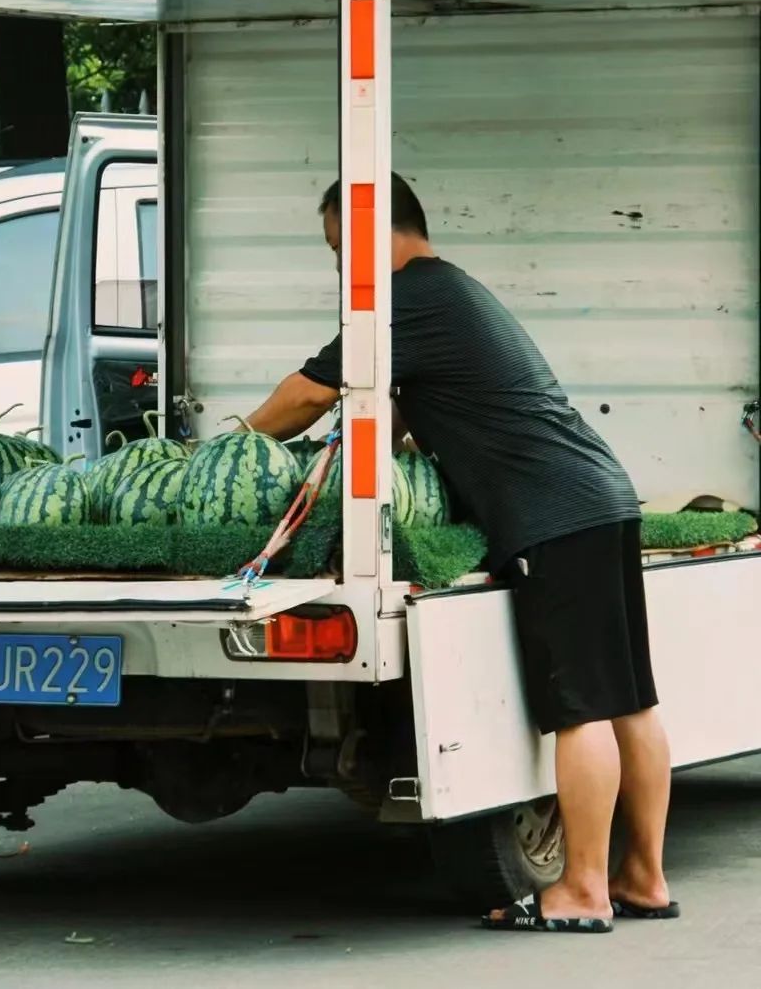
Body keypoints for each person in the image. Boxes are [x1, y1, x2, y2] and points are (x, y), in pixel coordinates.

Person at [246, 173, 675, 934]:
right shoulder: (451, 294)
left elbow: (311, 393)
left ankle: (582, 888)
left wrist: (233, 445)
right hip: (600, 500)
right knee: (628, 701)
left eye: (342, 250)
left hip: (553, 515)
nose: (342, 269)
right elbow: (405, 408)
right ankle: (642, 875)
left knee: (580, 710)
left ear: (381, 235)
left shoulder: (408, 300)